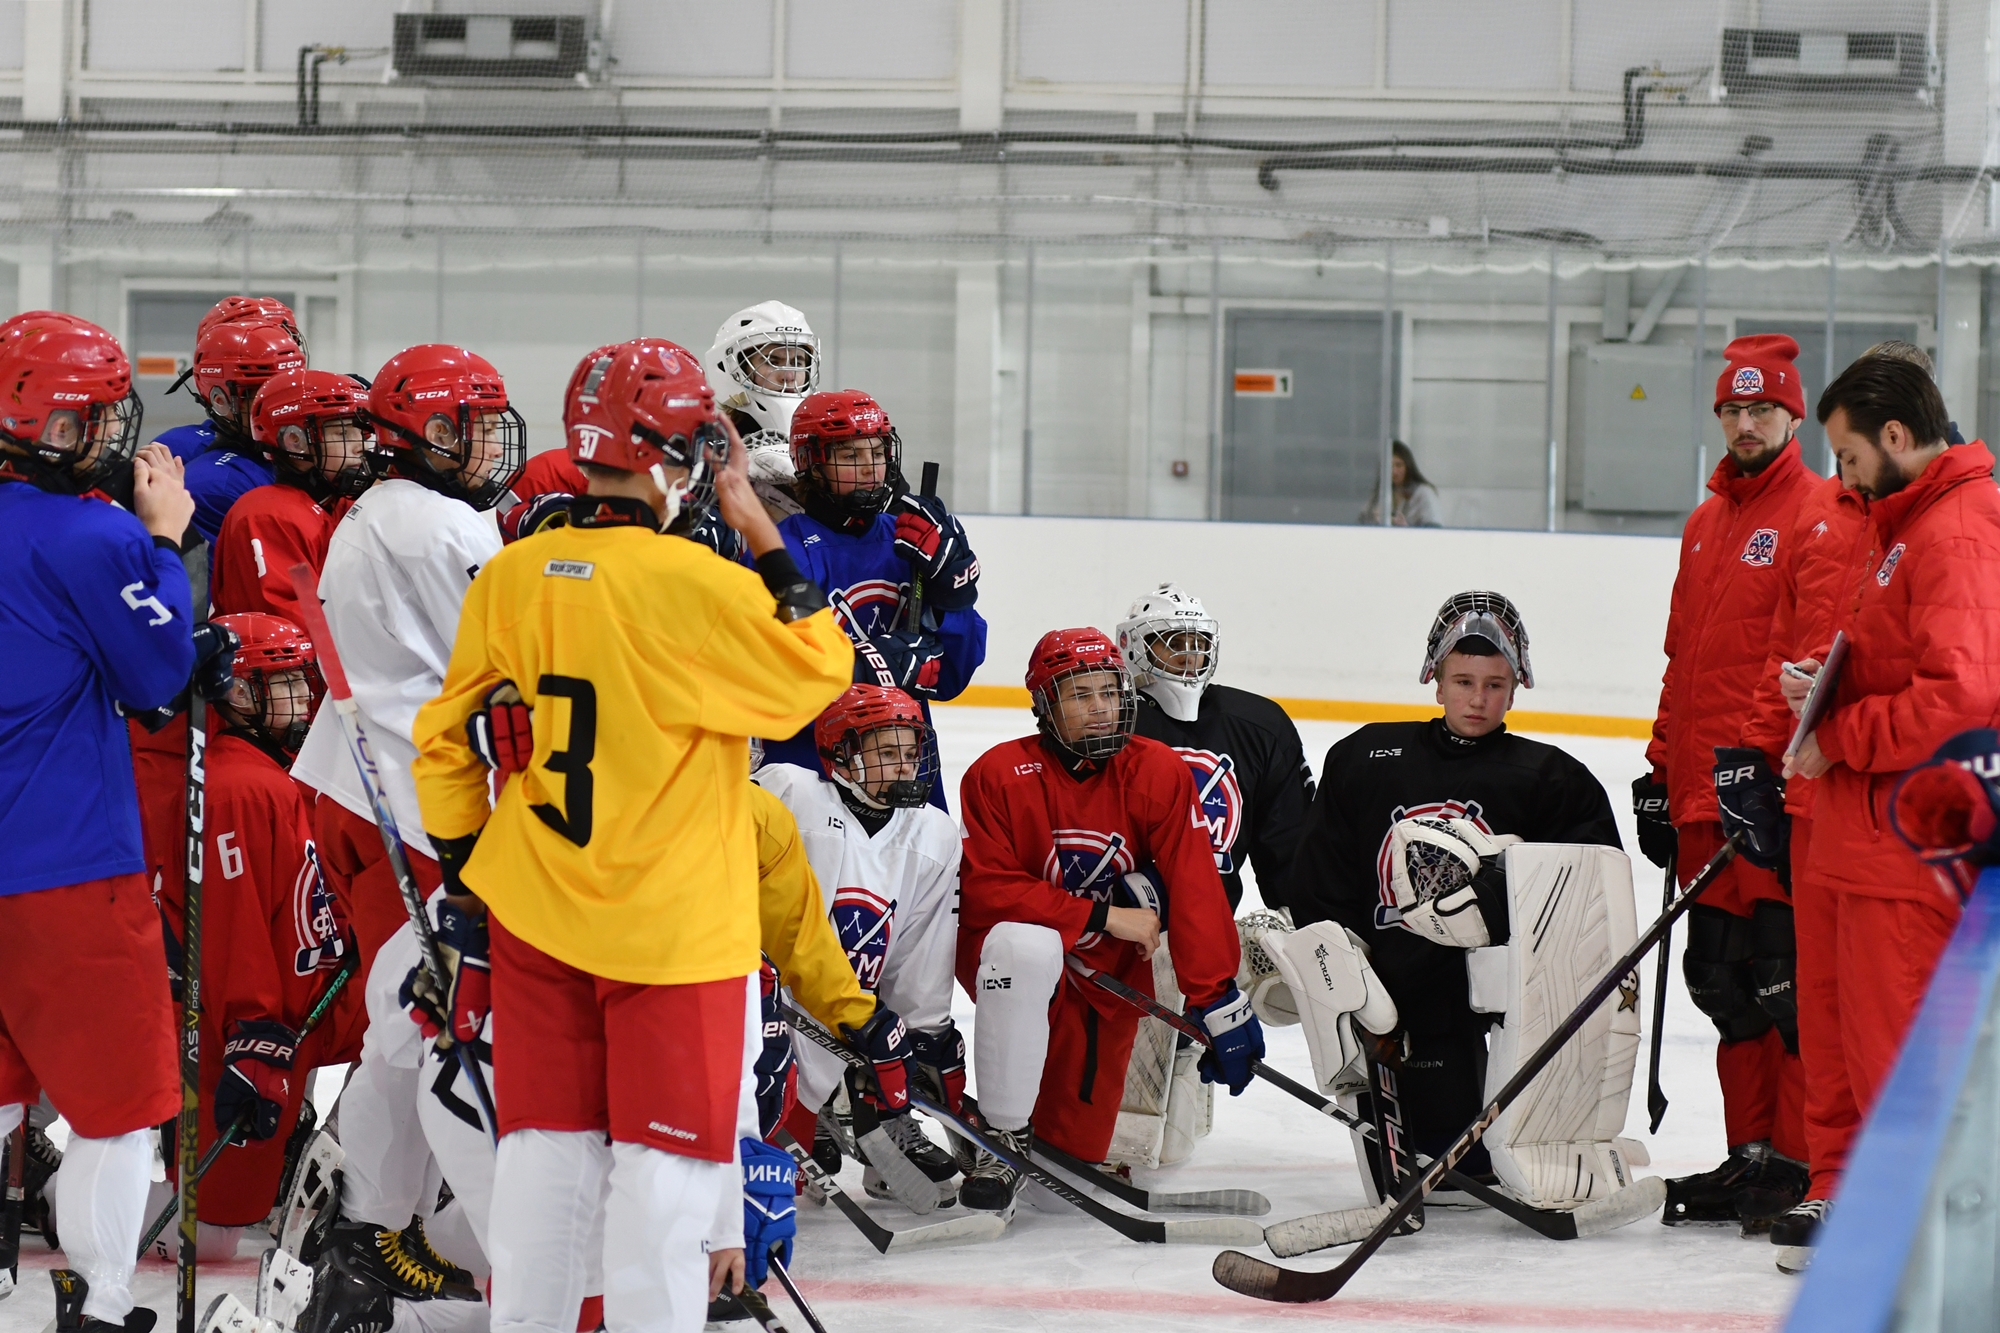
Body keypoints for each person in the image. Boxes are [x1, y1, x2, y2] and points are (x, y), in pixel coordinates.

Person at [409, 337, 855, 1333]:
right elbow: (821, 665)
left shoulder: (512, 576)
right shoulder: (700, 585)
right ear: (676, 453)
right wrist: (756, 526)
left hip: (533, 913)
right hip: (670, 933)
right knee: (663, 1177)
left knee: (543, 1156)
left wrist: (465, 876)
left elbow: (442, 750)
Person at [1285, 592, 1625, 1200]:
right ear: (1434, 681)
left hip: (1501, 990)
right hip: (1391, 990)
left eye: (1495, 684)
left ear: (1516, 687)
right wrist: (1345, 982)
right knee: (1443, 1163)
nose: (1478, 698)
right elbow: (1319, 880)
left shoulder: (1552, 778)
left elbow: (1593, 895)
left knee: (1467, 1166)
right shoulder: (1364, 758)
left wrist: (1502, 893)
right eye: (1463, 680)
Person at [1772, 355, 2000, 1257]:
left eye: (1850, 456)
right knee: (1842, 1044)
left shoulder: (1956, 531)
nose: (1843, 476)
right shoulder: (1903, 519)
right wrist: (1823, 690)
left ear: (1896, 438)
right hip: (1852, 834)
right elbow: (1897, 660)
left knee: (1898, 1053)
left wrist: (1843, 732)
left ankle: (1930, 1239)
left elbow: (1964, 696)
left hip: (1904, 846)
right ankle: (1862, 1205)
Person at [0, 317, 191, 1333]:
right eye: (94, 411)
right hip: (67, 863)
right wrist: (163, 537)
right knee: (119, 1109)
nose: (114, 431)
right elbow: (160, 674)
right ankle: (103, 1302)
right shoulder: (95, 531)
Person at [1735, 343, 1936, 1264]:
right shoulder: (1821, 513)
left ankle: (1900, 1196)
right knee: (1821, 1007)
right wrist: (1757, 753)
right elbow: (1779, 640)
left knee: (1886, 1010)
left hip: (1891, 808)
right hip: (1816, 795)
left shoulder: (1931, 525)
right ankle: (1829, 1182)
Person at [954, 629, 1252, 1215]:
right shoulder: (997, 773)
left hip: (1108, 981)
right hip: (1017, 970)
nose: (1099, 709)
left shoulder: (1157, 770)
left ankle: (997, 1129)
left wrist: (1216, 996)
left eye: (1108, 693)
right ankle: (1002, 1133)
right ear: (1045, 704)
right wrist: (1101, 915)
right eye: (1079, 695)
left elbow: (1195, 881)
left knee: (1061, 1194)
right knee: (1024, 945)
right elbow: (986, 888)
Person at [1634, 333, 1820, 1230]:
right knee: (1720, 983)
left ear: (1793, 413)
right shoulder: (1705, 524)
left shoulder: (1818, 513)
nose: (1747, 424)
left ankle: (1798, 1158)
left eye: (1763, 409)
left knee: (1782, 981)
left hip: (1770, 797)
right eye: (1733, 411)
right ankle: (1749, 1154)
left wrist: (1762, 771)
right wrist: (1658, 767)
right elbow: (1685, 659)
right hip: (1704, 792)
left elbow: (1803, 664)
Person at [290, 343, 525, 976]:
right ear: (437, 431)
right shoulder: (445, 523)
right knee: (448, 1020)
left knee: (396, 1021)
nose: (496, 447)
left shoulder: (369, 510)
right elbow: (511, 667)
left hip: (355, 786)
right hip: (417, 803)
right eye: (480, 426)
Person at [133, 613, 347, 1259]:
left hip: (303, 1014)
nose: (304, 698)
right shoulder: (237, 789)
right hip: (256, 1028)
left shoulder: (260, 775)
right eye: (284, 682)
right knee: (213, 1237)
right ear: (238, 691)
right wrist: (253, 1035)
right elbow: (231, 936)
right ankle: (74, 1209)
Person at [1108, 582, 1315, 1166]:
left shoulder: (1259, 724)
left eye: (1200, 644)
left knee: (1175, 1147)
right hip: (1128, 927)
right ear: (1133, 649)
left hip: (1212, 926)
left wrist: (1312, 931)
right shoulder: (1112, 722)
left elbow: (1288, 844)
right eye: (1173, 645)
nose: (1190, 659)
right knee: (1157, 964)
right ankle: (1117, 1133)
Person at [754, 685, 964, 1207]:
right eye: (886, 753)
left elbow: (921, 952)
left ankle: (870, 1115)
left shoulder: (934, 833)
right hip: (771, 1002)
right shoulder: (788, 791)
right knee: (775, 1177)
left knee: (907, 1045)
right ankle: (819, 1114)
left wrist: (919, 1037)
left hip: (851, 1012)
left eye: (911, 753)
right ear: (841, 753)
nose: (902, 768)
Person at [757, 389, 987, 807]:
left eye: (877, 453)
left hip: (905, 766)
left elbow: (952, 677)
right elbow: (764, 678)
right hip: (810, 771)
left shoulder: (913, 539)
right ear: (811, 463)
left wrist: (957, 594)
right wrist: (869, 666)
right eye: (850, 456)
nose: (870, 469)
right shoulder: (777, 552)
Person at [209, 369, 374, 622]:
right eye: (342, 433)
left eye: (362, 434)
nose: (360, 446)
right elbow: (299, 624)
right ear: (295, 441)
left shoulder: (340, 503)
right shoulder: (266, 516)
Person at [165, 313, 309, 546]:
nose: (287, 406)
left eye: (290, 390)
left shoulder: (283, 459)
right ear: (221, 401)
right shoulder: (217, 484)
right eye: (267, 393)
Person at [705, 302, 821, 519]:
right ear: (737, 369)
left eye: (798, 361)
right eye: (772, 361)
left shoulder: (829, 437)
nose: (788, 375)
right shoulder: (707, 445)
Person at [1359, 441, 1442, 528]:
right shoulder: (1379, 494)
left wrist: (1406, 528)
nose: (1394, 471)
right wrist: (1375, 521)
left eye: (1399, 465)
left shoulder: (1423, 493)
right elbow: (1361, 523)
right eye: (1389, 466)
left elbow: (1434, 530)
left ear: (1408, 466)